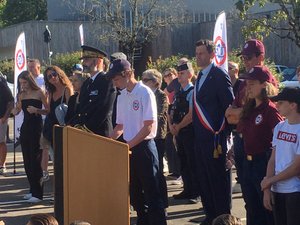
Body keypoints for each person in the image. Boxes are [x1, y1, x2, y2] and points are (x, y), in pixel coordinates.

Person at [109, 59, 167, 225]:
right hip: (129, 148)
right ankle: (142, 219)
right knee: (134, 192)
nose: (115, 82)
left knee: (151, 192)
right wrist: (107, 142)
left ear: (128, 74)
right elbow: (119, 126)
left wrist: (128, 145)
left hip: (145, 148)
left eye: (117, 79)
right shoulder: (121, 96)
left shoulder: (144, 92)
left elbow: (148, 127)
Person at [193, 39, 234, 224]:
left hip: (216, 137)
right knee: (204, 178)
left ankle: (223, 217)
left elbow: (228, 104)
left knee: (218, 180)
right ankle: (210, 214)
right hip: (200, 137)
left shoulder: (218, 75)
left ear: (211, 55)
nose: (198, 57)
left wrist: (226, 134)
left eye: (201, 53)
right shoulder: (200, 76)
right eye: (196, 53)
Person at [237, 66, 282, 225]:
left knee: (266, 209)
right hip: (247, 162)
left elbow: (279, 139)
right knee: (251, 206)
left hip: (263, 162)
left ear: (264, 84)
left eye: (252, 84)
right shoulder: (249, 108)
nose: (248, 87)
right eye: (247, 84)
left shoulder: (270, 110)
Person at [261, 87, 300, 225]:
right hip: (277, 190)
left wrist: (269, 181)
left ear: (293, 105)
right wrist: (268, 188)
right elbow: (273, 159)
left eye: (281, 102)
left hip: (295, 192)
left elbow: (296, 168)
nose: (276, 105)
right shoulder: (279, 127)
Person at [12, 71, 49, 203]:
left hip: (36, 128)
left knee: (35, 161)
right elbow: (18, 110)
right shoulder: (21, 95)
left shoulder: (39, 92)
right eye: (21, 83)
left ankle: (38, 194)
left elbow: (49, 110)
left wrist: (37, 110)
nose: (23, 85)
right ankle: (32, 189)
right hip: (25, 128)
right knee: (27, 161)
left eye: (25, 82)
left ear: (30, 81)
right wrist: (15, 111)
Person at [168, 61, 200, 203]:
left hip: (189, 132)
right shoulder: (178, 93)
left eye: (182, 73)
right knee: (183, 162)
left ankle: (196, 192)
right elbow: (172, 111)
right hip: (179, 132)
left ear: (190, 74)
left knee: (193, 163)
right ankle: (187, 189)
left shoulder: (192, 91)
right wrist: (173, 127)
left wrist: (179, 126)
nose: (179, 76)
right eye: (179, 73)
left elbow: (192, 114)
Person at [69, 45, 116, 136]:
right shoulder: (87, 83)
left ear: (98, 61)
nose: (83, 63)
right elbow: (81, 109)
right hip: (85, 134)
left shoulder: (107, 81)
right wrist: (73, 125)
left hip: (100, 134)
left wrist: (86, 129)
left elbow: (103, 110)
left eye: (86, 60)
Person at [141, 68, 169, 208]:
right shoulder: (142, 95)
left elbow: (157, 115)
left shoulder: (161, 95)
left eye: (146, 80)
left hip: (157, 137)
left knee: (157, 171)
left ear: (156, 82)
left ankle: (162, 202)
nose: (143, 82)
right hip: (144, 136)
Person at [42, 66, 73, 162]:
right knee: (54, 156)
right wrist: (37, 110)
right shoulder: (51, 92)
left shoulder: (67, 89)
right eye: (49, 77)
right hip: (51, 127)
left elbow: (70, 110)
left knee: (65, 156)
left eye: (54, 74)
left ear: (59, 74)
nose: (52, 78)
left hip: (62, 127)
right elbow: (49, 111)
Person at [162, 68, 181, 179]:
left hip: (177, 119)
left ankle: (179, 172)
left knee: (176, 145)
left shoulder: (179, 88)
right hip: (168, 119)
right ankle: (173, 170)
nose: (168, 77)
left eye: (170, 74)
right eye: (165, 75)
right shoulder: (166, 90)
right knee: (169, 145)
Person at [0, 77, 14, 175]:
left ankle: (2, 165)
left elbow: (11, 101)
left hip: (0, 118)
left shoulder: (1, 84)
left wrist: (5, 117)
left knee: (1, 142)